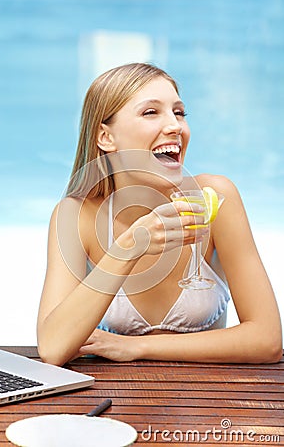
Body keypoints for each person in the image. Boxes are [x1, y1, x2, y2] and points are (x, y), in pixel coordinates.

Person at [37, 62, 282, 366]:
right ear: (105, 137)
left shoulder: (216, 200)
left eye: (179, 113)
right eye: (151, 112)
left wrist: (135, 348)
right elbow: (52, 348)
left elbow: (267, 340)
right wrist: (128, 247)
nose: (176, 126)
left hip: (210, 402)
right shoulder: (75, 216)